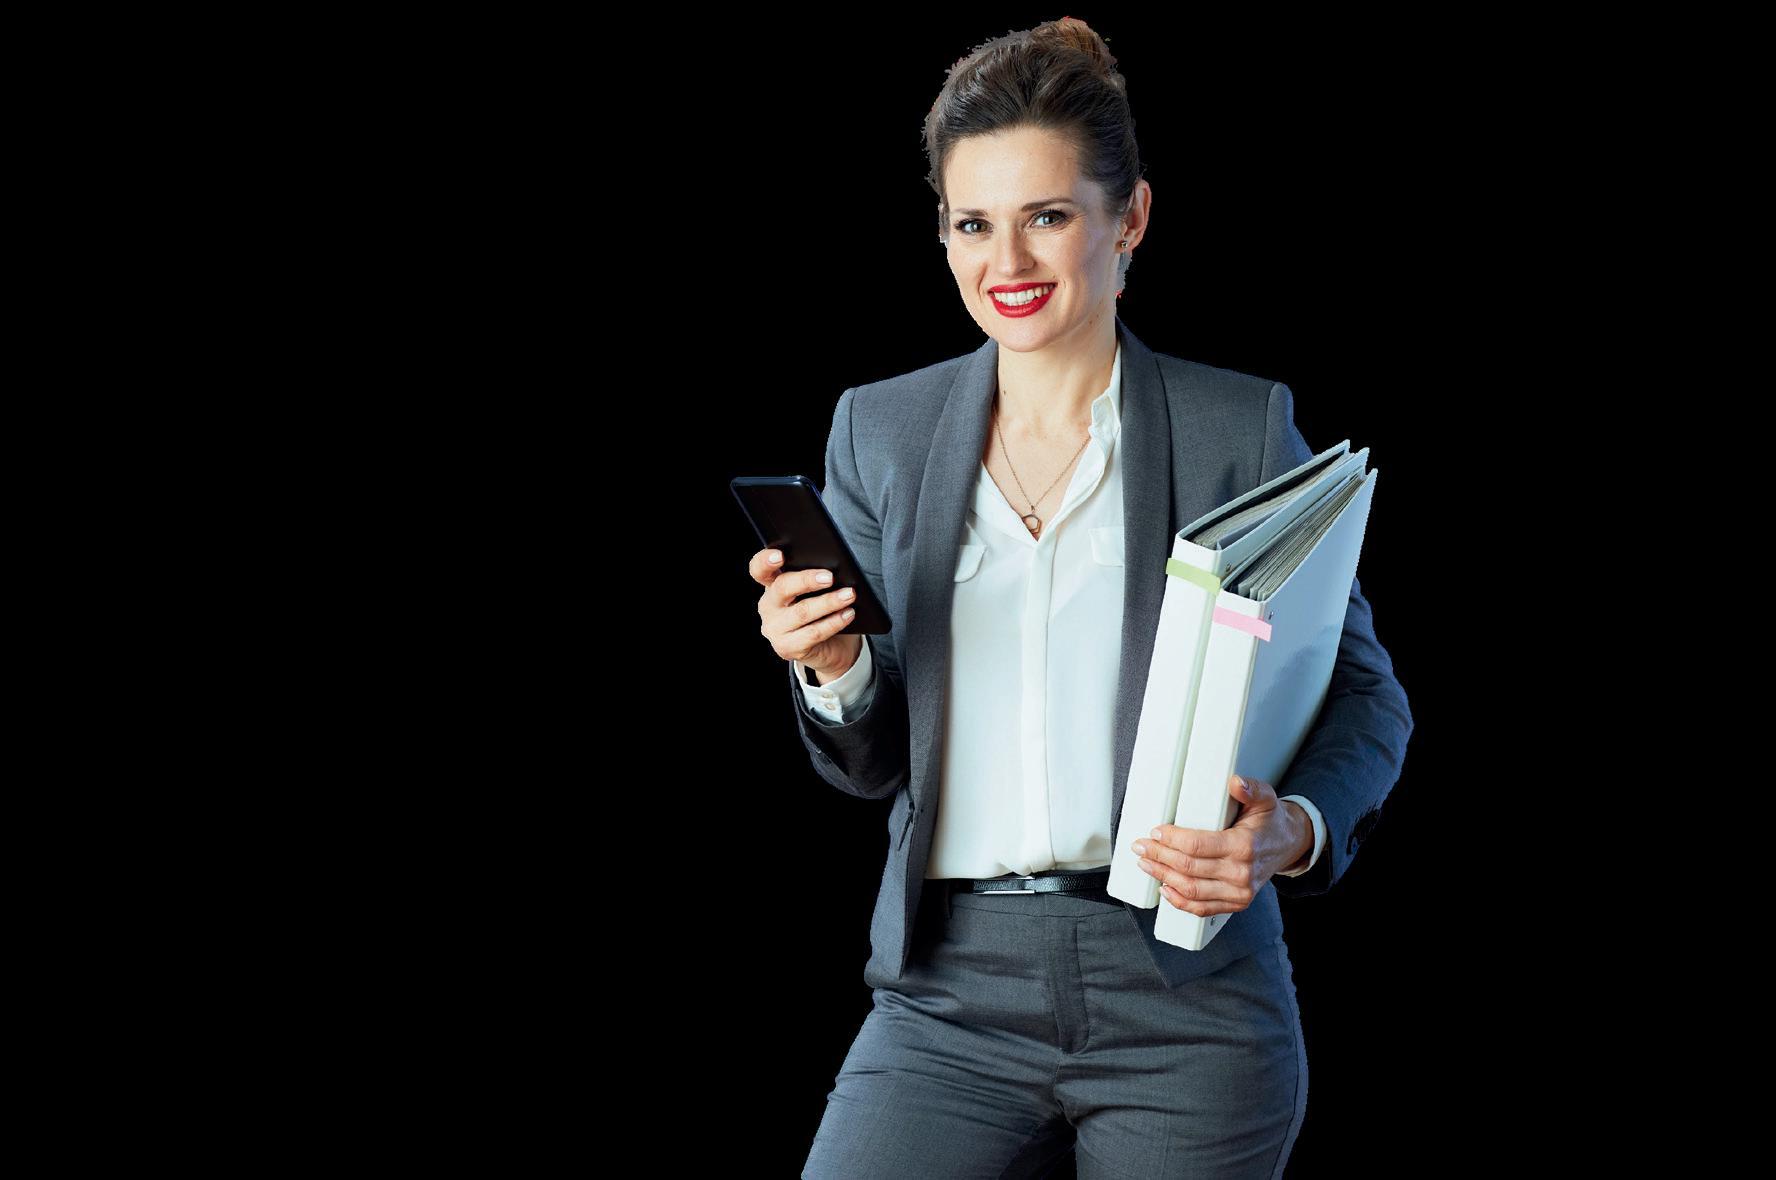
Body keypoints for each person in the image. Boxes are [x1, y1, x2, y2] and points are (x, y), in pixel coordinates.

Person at [747, 18, 1413, 1179]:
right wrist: (835, 667)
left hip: (1187, 991)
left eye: (1048, 215)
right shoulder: (880, 432)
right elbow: (870, 761)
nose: (1006, 259)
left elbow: (1365, 692)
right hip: (948, 993)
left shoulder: (1239, 427)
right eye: (973, 223)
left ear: (1131, 218)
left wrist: (1292, 831)